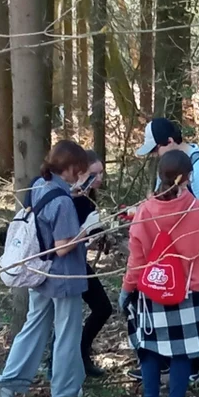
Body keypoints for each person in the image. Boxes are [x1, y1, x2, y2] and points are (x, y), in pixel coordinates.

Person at [119, 150, 199, 397]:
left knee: (150, 348)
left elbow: (137, 260)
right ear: (188, 178)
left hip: (153, 290)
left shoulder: (144, 213)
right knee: (184, 351)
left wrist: (127, 289)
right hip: (191, 291)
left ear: (160, 176)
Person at [0, 141, 91, 397]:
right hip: (64, 277)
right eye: (79, 170)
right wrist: (87, 229)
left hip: (38, 272)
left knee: (33, 329)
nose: (80, 175)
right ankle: (65, 393)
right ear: (69, 169)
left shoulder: (38, 185)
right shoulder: (63, 203)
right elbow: (63, 248)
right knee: (68, 334)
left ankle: (7, 383)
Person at [130, 118, 199, 385]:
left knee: (187, 323)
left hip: (189, 264)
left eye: (157, 149)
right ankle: (168, 365)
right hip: (166, 265)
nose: (156, 156)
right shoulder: (168, 170)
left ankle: (186, 367)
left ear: (169, 142)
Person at [72, 150, 112, 378]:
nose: (99, 178)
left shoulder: (89, 198)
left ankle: (81, 351)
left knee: (103, 308)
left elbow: (92, 236)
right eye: (94, 174)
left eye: (102, 173)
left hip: (78, 261)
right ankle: (69, 359)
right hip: (65, 265)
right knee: (67, 316)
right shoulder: (70, 199)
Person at [135, 117, 199, 216]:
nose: (154, 155)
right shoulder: (167, 164)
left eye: (155, 150)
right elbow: (159, 200)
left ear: (170, 141)